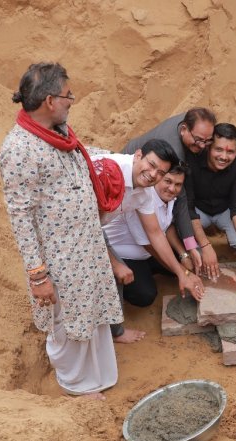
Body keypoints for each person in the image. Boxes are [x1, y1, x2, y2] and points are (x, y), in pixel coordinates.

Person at [0, 62, 123, 399]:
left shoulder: (60, 132)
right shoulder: (18, 149)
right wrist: (38, 276)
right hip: (60, 256)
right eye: (69, 96)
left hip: (86, 247)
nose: (72, 101)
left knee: (90, 312)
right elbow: (20, 216)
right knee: (67, 320)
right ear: (50, 100)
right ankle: (75, 385)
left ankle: (96, 375)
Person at [89, 141, 204, 343]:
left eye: (160, 172)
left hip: (96, 228)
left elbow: (156, 233)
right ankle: (115, 332)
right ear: (138, 155)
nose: (153, 174)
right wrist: (115, 264)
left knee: (174, 265)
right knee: (123, 281)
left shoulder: (144, 192)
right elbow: (88, 227)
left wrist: (181, 273)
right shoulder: (111, 170)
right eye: (151, 165)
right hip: (85, 232)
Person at [121, 107, 218, 275]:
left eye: (207, 141)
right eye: (198, 140)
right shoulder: (174, 155)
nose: (203, 146)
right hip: (135, 175)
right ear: (183, 130)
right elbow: (182, 201)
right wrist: (192, 246)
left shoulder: (193, 121)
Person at [104, 162, 192, 307]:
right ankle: (115, 279)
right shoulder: (141, 198)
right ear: (159, 178)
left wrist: (183, 255)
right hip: (124, 255)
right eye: (168, 181)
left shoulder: (169, 198)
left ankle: (147, 272)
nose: (172, 188)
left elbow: (166, 226)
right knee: (144, 295)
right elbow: (149, 244)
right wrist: (184, 273)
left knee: (184, 261)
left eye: (178, 184)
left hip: (148, 252)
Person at [185, 123, 236, 277]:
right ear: (209, 146)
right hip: (198, 210)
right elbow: (187, 207)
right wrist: (206, 245)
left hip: (225, 210)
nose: (224, 157)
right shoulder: (192, 160)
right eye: (219, 149)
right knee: (187, 244)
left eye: (230, 151)